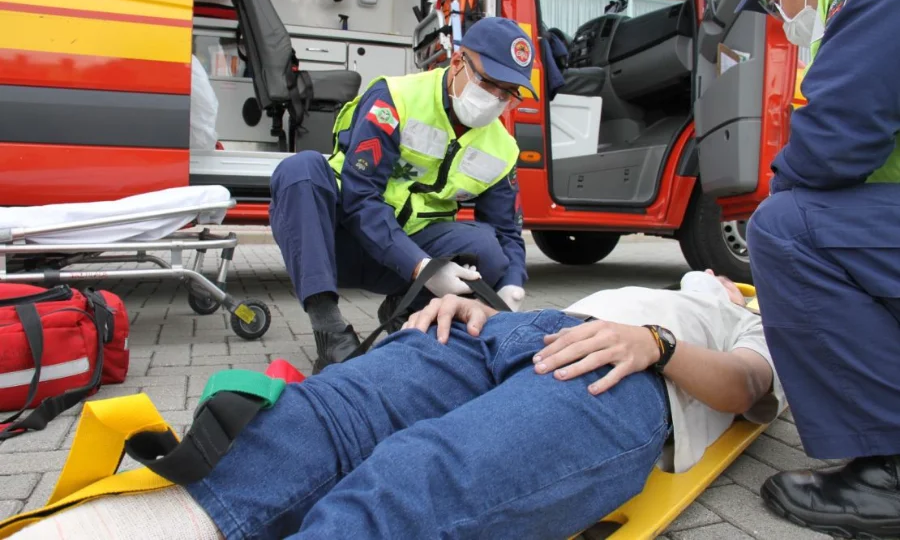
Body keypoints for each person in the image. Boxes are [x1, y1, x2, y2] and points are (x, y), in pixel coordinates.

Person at [8, 270, 785, 540]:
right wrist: (484, 313)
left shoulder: (774, 317)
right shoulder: (682, 278)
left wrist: (660, 344)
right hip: (514, 335)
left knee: (416, 478)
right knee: (319, 418)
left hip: (627, 376)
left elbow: (751, 389)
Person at [735, 0, 900, 536]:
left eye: (775, 0)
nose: (783, 17)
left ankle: (889, 475)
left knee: (784, 230)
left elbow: (838, 135)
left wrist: (780, 260)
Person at [269, 16, 534, 373]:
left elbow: (506, 232)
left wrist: (512, 285)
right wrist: (421, 266)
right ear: (457, 63)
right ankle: (330, 332)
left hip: (408, 254)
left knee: (490, 249)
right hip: (341, 241)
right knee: (299, 171)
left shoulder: (502, 149)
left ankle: (406, 313)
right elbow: (360, 197)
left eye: (508, 94)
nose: (496, 100)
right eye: (488, 84)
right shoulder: (396, 98)